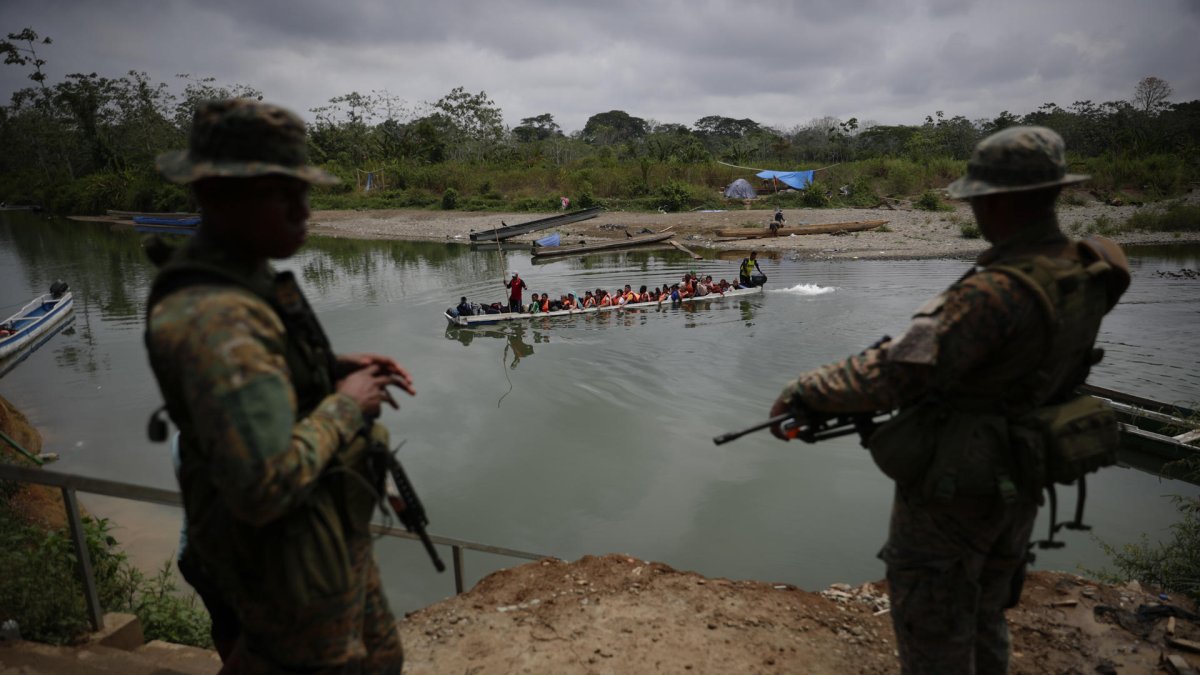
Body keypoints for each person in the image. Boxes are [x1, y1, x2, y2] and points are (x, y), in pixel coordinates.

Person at [766, 126, 1130, 675]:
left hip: (959, 481)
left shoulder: (995, 292)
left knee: (934, 626)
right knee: (986, 610)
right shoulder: (1089, 269)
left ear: (996, 201)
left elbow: (899, 370)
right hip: (1024, 465)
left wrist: (806, 389)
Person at [144, 99, 413, 673]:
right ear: (216, 195)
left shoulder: (243, 276)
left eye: (302, 189)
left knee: (381, 659)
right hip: (284, 567)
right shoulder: (215, 319)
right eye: (278, 192)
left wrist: (327, 367)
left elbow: (258, 373)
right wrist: (347, 405)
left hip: (323, 539)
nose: (303, 208)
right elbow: (261, 486)